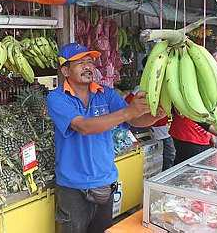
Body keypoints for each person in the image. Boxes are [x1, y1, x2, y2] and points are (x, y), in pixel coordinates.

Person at [47, 43, 165, 233]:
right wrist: (128, 112)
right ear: (65, 70)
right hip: (72, 187)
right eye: (80, 62)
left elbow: (135, 121)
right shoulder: (57, 98)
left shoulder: (106, 94)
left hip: (105, 182)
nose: (88, 66)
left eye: (90, 61)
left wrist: (157, 115)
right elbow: (83, 126)